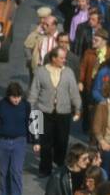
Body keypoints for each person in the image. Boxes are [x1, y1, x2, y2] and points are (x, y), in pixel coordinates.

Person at [29, 46, 83, 177]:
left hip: (63, 112)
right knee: (45, 142)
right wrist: (30, 109)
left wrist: (78, 108)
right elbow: (34, 91)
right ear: (53, 58)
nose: (64, 60)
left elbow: (74, 92)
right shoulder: (41, 72)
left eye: (65, 58)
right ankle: (45, 169)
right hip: (44, 111)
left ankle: (59, 165)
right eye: (62, 58)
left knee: (62, 141)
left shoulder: (69, 72)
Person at [0, 82, 37, 195]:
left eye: (18, 97)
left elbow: (32, 123)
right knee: (4, 172)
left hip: (19, 142)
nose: (16, 100)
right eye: (13, 97)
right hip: (3, 142)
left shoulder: (26, 106)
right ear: (8, 96)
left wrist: (36, 141)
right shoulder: (1, 105)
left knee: (16, 171)